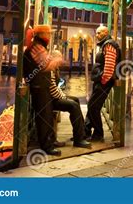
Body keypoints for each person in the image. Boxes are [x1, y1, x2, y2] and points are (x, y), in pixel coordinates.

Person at [24, 25, 90, 154]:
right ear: (42, 34)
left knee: (56, 112)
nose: (49, 36)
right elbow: (46, 66)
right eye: (48, 34)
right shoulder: (37, 47)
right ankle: (48, 146)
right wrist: (58, 60)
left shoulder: (39, 46)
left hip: (44, 89)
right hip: (40, 88)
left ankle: (77, 138)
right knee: (45, 117)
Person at [85, 25, 121, 141]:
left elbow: (109, 67)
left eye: (99, 33)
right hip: (100, 80)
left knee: (93, 107)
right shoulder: (104, 44)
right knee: (92, 105)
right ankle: (85, 131)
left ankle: (98, 134)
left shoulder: (109, 45)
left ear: (106, 33)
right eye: (96, 33)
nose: (97, 35)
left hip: (103, 82)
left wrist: (103, 80)